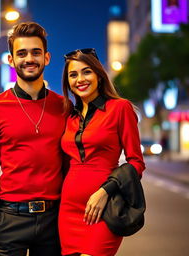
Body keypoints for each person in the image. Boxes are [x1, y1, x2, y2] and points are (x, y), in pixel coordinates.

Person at [0, 22, 67, 256]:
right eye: (21, 53)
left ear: (47, 58)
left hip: (54, 222)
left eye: (36, 52)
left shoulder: (64, 106)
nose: (29, 59)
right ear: (11, 60)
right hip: (10, 220)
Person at [58, 48, 145, 256]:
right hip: (68, 210)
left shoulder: (120, 108)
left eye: (86, 72)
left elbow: (136, 163)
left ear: (98, 74)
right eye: (73, 74)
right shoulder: (69, 116)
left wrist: (104, 191)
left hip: (104, 209)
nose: (80, 79)